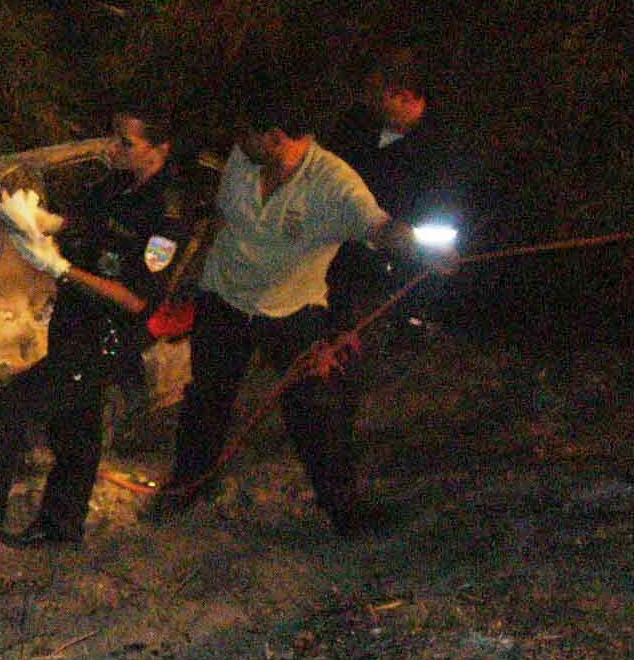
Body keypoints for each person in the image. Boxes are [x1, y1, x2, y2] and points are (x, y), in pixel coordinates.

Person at [148, 71, 454, 536]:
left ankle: (346, 512)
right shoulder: (241, 160)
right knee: (206, 401)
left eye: (247, 134)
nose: (237, 141)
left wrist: (422, 248)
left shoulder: (334, 184)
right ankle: (189, 486)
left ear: (273, 139)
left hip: (290, 311)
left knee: (314, 413)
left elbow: (379, 227)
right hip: (223, 299)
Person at [0, 108, 190, 571]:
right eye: (114, 137)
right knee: (76, 430)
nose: (112, 148)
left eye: (126, 142)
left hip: (107, 335)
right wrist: (40, 223)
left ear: (160, 150)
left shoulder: (168, 211)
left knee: (1, 417)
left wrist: (61, 269)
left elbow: (135, 300)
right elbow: (86, 226)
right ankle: (60, 526)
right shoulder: (115, 185)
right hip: (73, 322)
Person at [326, 46, 476, 331]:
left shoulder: (442, 151)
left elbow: (438, 231)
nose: (368, 101)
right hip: (329, 256)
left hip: (384, 279)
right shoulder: (356, 122)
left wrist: (409, 251)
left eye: (376, 94)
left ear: (403, 96)